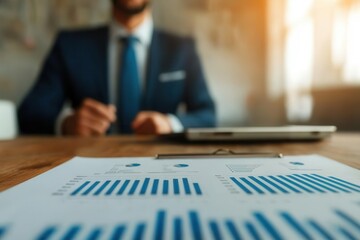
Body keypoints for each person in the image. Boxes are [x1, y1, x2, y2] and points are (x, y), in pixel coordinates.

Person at [18, 0, 216, 136]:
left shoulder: (182, 49)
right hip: (88, 165)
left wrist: (170, 125)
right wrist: (66, 123)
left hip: (162, 163)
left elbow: (207, 115)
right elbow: (29, 113)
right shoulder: (70, 46)